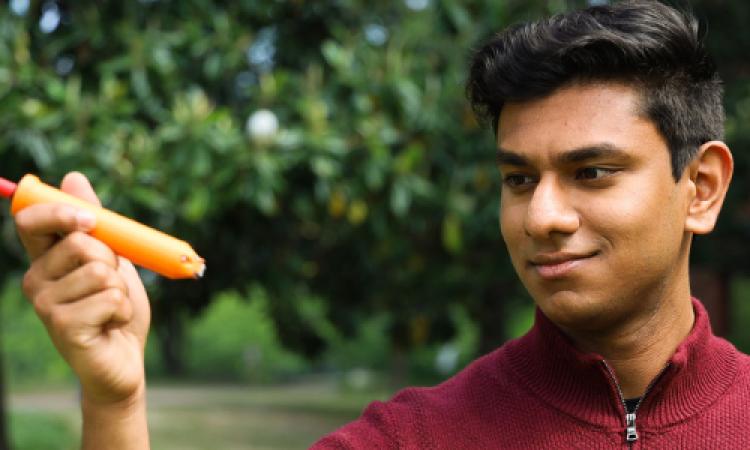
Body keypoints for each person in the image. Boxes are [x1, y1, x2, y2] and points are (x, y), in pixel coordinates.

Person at [13, 0, 746, 448]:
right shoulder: (411, 439)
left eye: (592, 173)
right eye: (518, 179)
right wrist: (115, 404)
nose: (543, 217)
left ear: (701, 189)